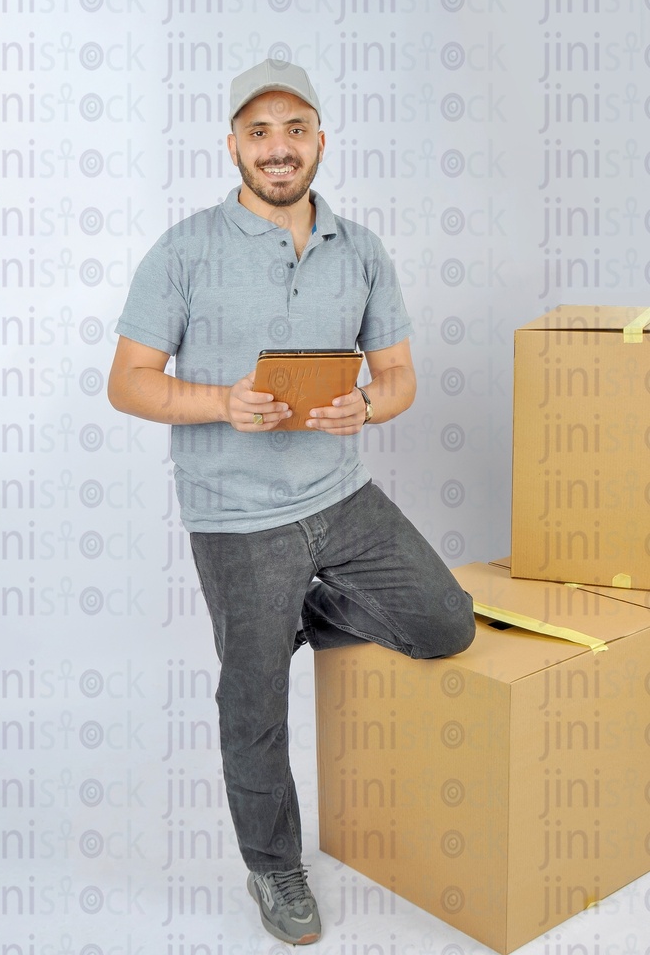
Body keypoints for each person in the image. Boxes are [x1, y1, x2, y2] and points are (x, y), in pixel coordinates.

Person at [108, 59, 475, 946]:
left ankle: (295, 613)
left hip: (341, 497)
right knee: (255, 702)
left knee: (446, 626)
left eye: (296, 128)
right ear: (233, 144)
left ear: (320, 141)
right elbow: (127, 384)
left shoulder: (362, 249)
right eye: (260, 132)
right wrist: (220, 403)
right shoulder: (184, 249)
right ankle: (274, 871)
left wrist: (370, 405)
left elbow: (399, 378)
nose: (280, 148)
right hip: (237, 519)